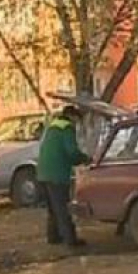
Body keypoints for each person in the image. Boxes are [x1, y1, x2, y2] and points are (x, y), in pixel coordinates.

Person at [37, 105, 90, 248]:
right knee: (62, 208)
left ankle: (53, 236)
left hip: (42, 173)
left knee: (53, 209)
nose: (77, 124)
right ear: (72, 117)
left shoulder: (52, 126)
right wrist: (85, 159)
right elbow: (71, 151)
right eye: (77, 120)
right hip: (57, 174)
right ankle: (71, 240)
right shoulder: (66, 128)